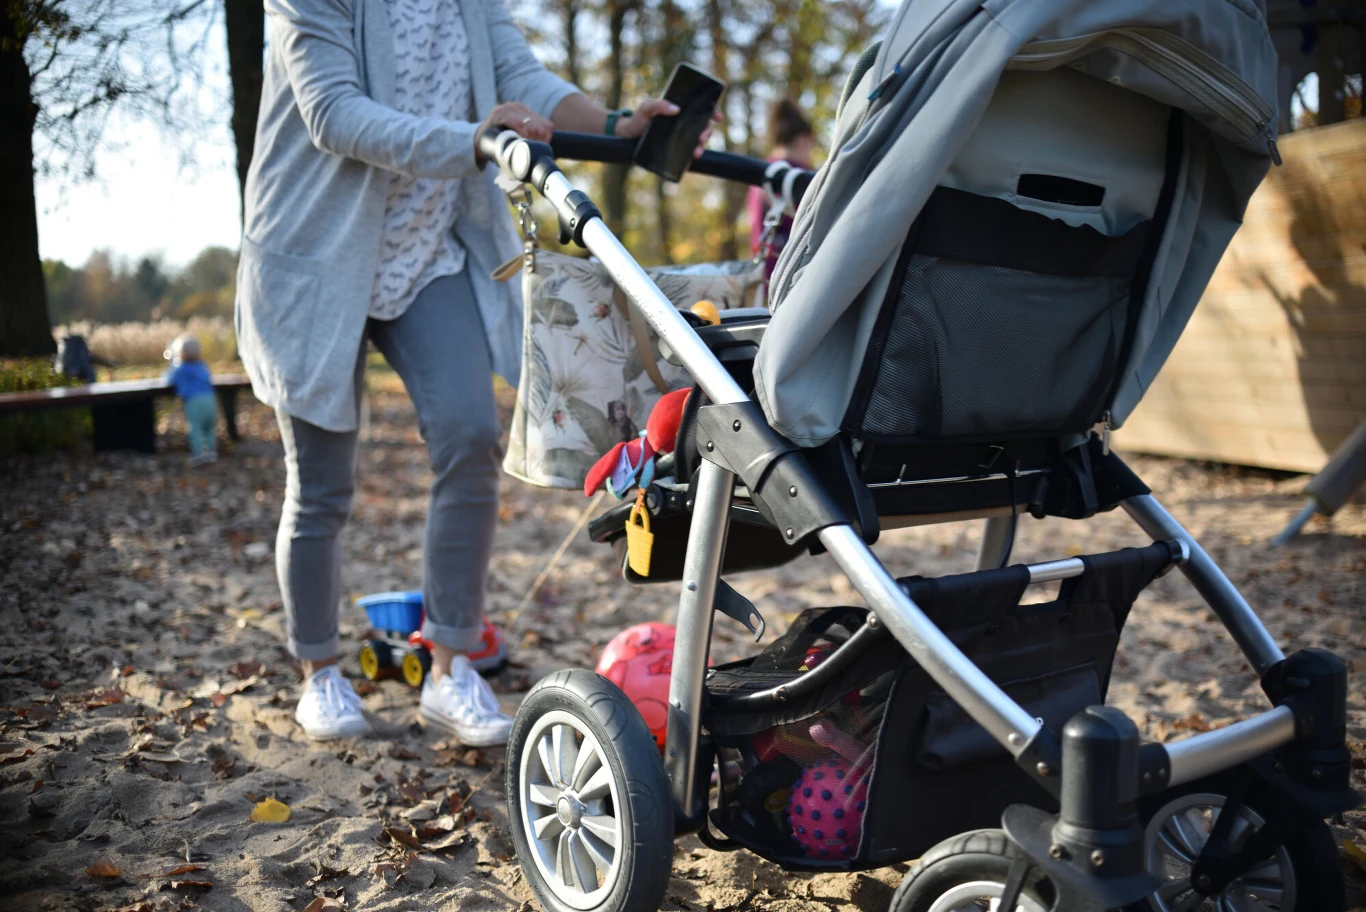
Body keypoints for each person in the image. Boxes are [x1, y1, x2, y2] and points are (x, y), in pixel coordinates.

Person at [237, 0, 712, 745]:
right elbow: (334, 114)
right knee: (322, 482)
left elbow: (523, 79)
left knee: (469, 437)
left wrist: (615, 124)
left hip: (429, 253)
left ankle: (452, 666)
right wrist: (477, 140)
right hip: (319, 257)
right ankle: (320, 672)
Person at [748, 99, 817, 281]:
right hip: (790, 277)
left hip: (764, 272)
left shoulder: (763, 170)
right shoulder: (795, 176)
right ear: (803, 139)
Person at [163, 334, 218, 466]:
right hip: (210, 399)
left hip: (193, 401)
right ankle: (211, 451)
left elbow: (168, 379)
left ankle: (198, 453)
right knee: (209, 428)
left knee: (196, 429)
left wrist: (171, 365)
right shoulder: (203, 366)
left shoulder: (180, 369)